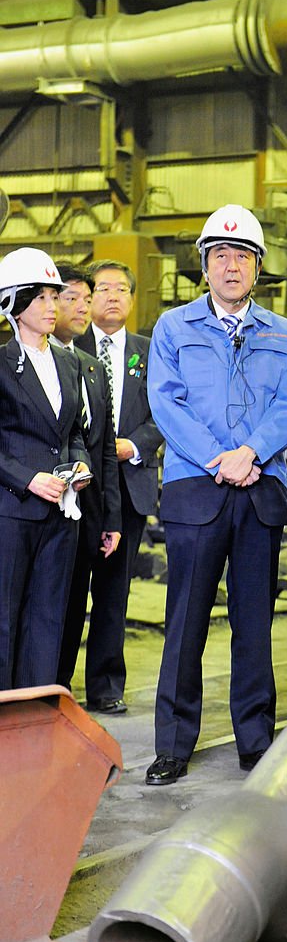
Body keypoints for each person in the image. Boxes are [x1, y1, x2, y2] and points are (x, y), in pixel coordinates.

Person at [145, 204, 287, 785]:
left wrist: (252, 454)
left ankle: (255, 743)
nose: (231, 265)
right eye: (220, 256)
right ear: (205, 267)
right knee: (185, 620)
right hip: (197, 487)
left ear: (257, 268)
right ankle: (173, 745)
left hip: (259, 490)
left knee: (254, 623)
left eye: (242, 256)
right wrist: (221, 457)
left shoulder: (285, 336)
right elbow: (166, 402)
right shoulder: (172, 328)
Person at [0, 248, 91, 689]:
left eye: (56, 296)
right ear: (13, 305)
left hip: (61, 515)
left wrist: (81, 465)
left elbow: (73, 430)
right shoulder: (0, 364)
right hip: (13, 513)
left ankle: (37, 714)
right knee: (5, 618)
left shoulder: (70, 362)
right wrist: (27, 478)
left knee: (48, 619)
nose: (53, 306)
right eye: (41, 298)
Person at [74, 259, 163, 713]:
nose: (111, 296)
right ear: (89, 299)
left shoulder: (151, 351)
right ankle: (53, 684)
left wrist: (135, 445)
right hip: (75, 490)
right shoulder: (68, 344)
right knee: (66, 590)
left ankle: (106, 687)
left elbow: (164, 412)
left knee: (113, 594)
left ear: (131, 298)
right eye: (102, 288)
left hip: (128, 489)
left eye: (120, 289)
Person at [50, 263, 122, 693]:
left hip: (86, 510)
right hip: (41, 505)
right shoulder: (24, 363)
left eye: (86, 298)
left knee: (77, 604)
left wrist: (109, 517)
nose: (83, 306)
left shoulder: (93, 368)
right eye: (70, 297)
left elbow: (106, 448)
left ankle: (60, 688)